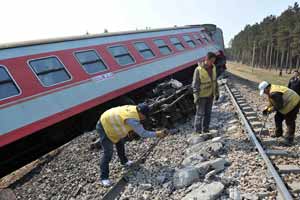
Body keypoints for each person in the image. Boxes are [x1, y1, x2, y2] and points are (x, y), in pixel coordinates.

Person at [96, 103, 167, 186]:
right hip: (104, 126)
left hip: (112, 124)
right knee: (108, 153)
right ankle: (104, 178)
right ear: (141, 113)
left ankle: (124, 161)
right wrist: (157, 133)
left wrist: (130, 130)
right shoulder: (132, 119)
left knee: (120, 143)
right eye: (145, 116)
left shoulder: (134, 109)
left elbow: (123, 120)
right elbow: (143, 133)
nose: (145, 118)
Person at [259, 81, 300, 145]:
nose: (264, 93)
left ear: (267, 88)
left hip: (293, 101)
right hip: (286, 102)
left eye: (264, 91)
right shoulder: (272, 90)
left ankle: (289, 139)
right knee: (278, 117)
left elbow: (279, 106)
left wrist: (271, 110)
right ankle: (278, 133)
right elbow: (273, 102)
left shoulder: (274, 93)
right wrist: (267, 108)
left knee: (289, 120)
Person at [192, 52, 219, 134]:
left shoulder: (213, 67)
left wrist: (217, 93)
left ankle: (206, 129)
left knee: (208, 113)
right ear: (206, 59)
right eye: (211, 61)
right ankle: (197, 131)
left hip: (210, 95)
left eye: (213, 61)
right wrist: (196, 97)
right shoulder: (198, 70)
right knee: (200, 114)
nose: (212, 63)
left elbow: (215, 81)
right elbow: (195, 85)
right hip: (201, 96)